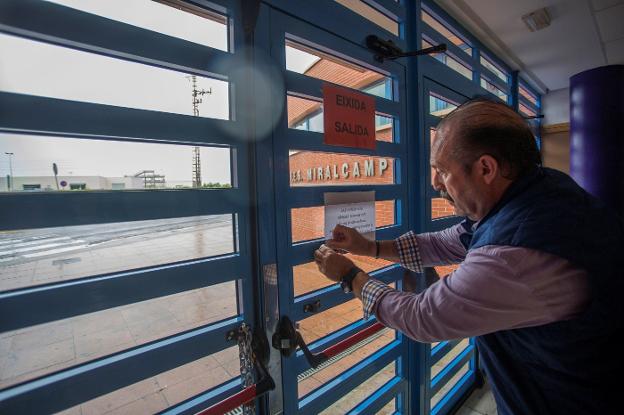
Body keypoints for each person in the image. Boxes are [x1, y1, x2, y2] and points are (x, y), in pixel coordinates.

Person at [314, 98, 623, 415]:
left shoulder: (510, 256)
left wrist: (349, 276)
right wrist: (369, 247)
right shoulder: (541, 191)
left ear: (486, 168)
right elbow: (443, 243)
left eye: (442, 171)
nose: (435, 183)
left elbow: (424, 316)